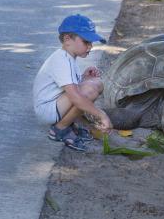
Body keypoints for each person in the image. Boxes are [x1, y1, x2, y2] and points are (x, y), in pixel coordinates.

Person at [32, 14, 112, 151]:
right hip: (47, 109)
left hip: (54, 104)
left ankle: (67, 123)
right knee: (90, 90)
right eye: (86, 42)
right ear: (67, 39)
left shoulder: (68, 57)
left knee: (95, 83)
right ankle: (60, 129)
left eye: (91, 43)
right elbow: (75, 96)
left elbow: (65, 86)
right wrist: (101, 115)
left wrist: (83, 77)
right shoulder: (62, 61)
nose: (90, 47)